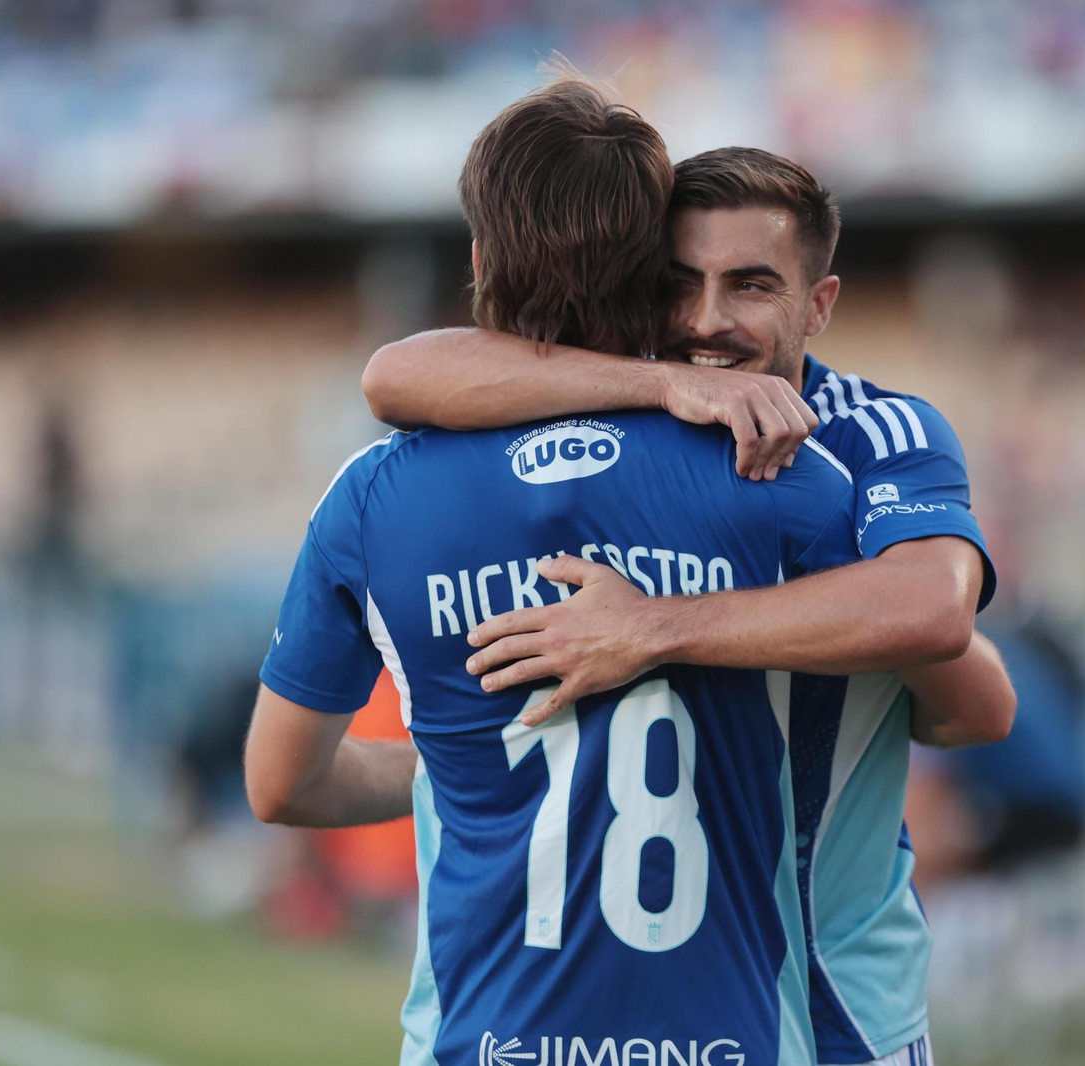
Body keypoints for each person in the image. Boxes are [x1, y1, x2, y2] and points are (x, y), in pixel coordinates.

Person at [246, 79, 869, 1065]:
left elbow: (281, 784)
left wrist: (464, 760)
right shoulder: (786, 476)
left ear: (479, 260)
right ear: (657, 272)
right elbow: (947, 685)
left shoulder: (371, 497)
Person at [362, 147, 1016, 1065]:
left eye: (751, 285)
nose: (707, 321)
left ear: (818, 305)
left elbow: (942, 627)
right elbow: (394, 377)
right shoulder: (621, 411)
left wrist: (653, 629)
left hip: (843, 1006)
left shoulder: (874, 434)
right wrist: (663, 382)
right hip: (653, 1013)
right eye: (680, 283)